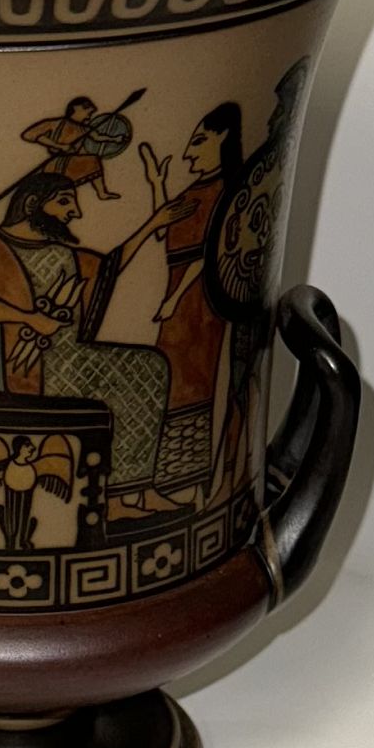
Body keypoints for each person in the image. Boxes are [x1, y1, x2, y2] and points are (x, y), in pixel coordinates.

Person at [0, 172, 192, 521]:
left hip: (72, 362)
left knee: (150, 366)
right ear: (32, 204)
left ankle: (137, 492)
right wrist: (30, 319)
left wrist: (152, 224)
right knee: (138, 372)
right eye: (64, 201)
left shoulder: (64, 254)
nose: (75, 212)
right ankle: (116, 500)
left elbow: (110, 267)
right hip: (23, 371)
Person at [141, 103, 243, 510]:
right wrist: (157, 184)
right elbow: (164, 231)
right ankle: (167, 485)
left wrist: (173, 298)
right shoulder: (196, 192)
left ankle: (195, 488)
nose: (188, 153)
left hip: (199, 306)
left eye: (199, 141)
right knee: (167, 383)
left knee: (193, 386)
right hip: (177, 306)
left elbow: (207, 256)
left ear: (223, 140)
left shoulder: (226, 194)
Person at [21, 96, 120, 200]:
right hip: (56, 163)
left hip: (72, 162)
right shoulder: (57, 123)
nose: (89, 117)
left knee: (93, 161)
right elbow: (29, 135)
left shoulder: (84, 129)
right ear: (77, 109)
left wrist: (115, 139)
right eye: (88, 113)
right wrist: (58, 146)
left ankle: (102, 193)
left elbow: (98, 137)